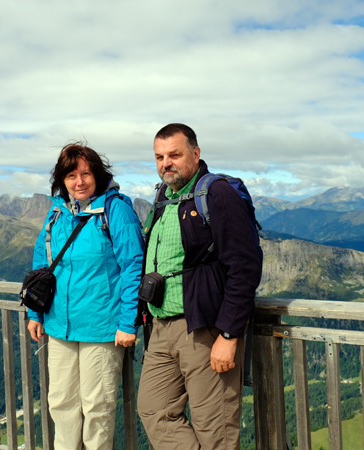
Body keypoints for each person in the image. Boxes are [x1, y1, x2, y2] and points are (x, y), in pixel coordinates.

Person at [136, 124, 262, 449]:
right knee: (153, 410)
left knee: (215, 432)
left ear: (195, 153)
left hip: (204, 330)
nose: (166, 163)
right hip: (161, 328)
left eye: (174, 155)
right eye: (160, 157)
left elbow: (244, 266)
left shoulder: (217, 194)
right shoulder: (164, 196)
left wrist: (229, 334)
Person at [27, 142, 144, 450]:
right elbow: (42, 264)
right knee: (61, 402)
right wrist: (35, 313)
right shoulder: (57, 212)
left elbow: (133, 267)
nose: (79, 182)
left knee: (97, 408)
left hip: (101, 327)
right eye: (71, 176)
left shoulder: (115, 210)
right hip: (59, 324)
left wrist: (127, 323)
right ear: (62, 180)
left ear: (98, 175)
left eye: (86, 174)